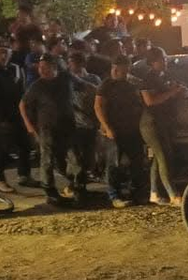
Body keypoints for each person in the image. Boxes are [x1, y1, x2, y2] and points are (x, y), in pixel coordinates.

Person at [19, 54, 75, 207]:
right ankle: (50, 191)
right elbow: (22, 105)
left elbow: (81, 86)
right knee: (47, 160)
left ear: (54, 67)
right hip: (47, 128)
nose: (41, 70)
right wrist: (29, 126)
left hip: (67, 126)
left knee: (71, 158)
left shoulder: (65, 79)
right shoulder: (37, 86)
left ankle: (75, 185)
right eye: (40, 68)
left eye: (45, 67)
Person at [0, 46, 35, 193]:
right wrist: (1, 118)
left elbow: (21, 90)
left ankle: (24, 175)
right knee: (2, 149)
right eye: (0, 53)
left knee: (25, 145)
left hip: (17, 114)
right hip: (3, 117)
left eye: (6, 52)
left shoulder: (13, 69)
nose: (3, 56)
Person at [139, 47, 188, 205]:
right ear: (153, 62)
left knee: (159, 158)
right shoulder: (148, 79)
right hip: (151, 123)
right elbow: (150, 101)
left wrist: (179, 90)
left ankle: (154, 192)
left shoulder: (164, 76)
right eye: (162, 59)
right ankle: (173, 194)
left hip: (163, 122)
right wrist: (171, 93)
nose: (165, 62)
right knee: (164, 157)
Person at [95, 55, 144, 207]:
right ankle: (114, 195)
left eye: (125, 70)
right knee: (114, 163)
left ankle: (135, 192)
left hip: (132, 130)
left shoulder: (130, 84)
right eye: (119, 70)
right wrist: (107, 127)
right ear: (114, 69)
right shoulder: (106, 85)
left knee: (136, 162)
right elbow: (98, 107)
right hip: (114, 131)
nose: (122, 73)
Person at [66, 51, 102, 196]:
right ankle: (73, 185)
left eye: (75, 62)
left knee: (88, 158)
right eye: (71, 62)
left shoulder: (93, 79)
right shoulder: (66, 80)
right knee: (75, 158)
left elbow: (99, 96)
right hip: (73, 125)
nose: (73, 65)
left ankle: (81, 186)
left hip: (90, 124)